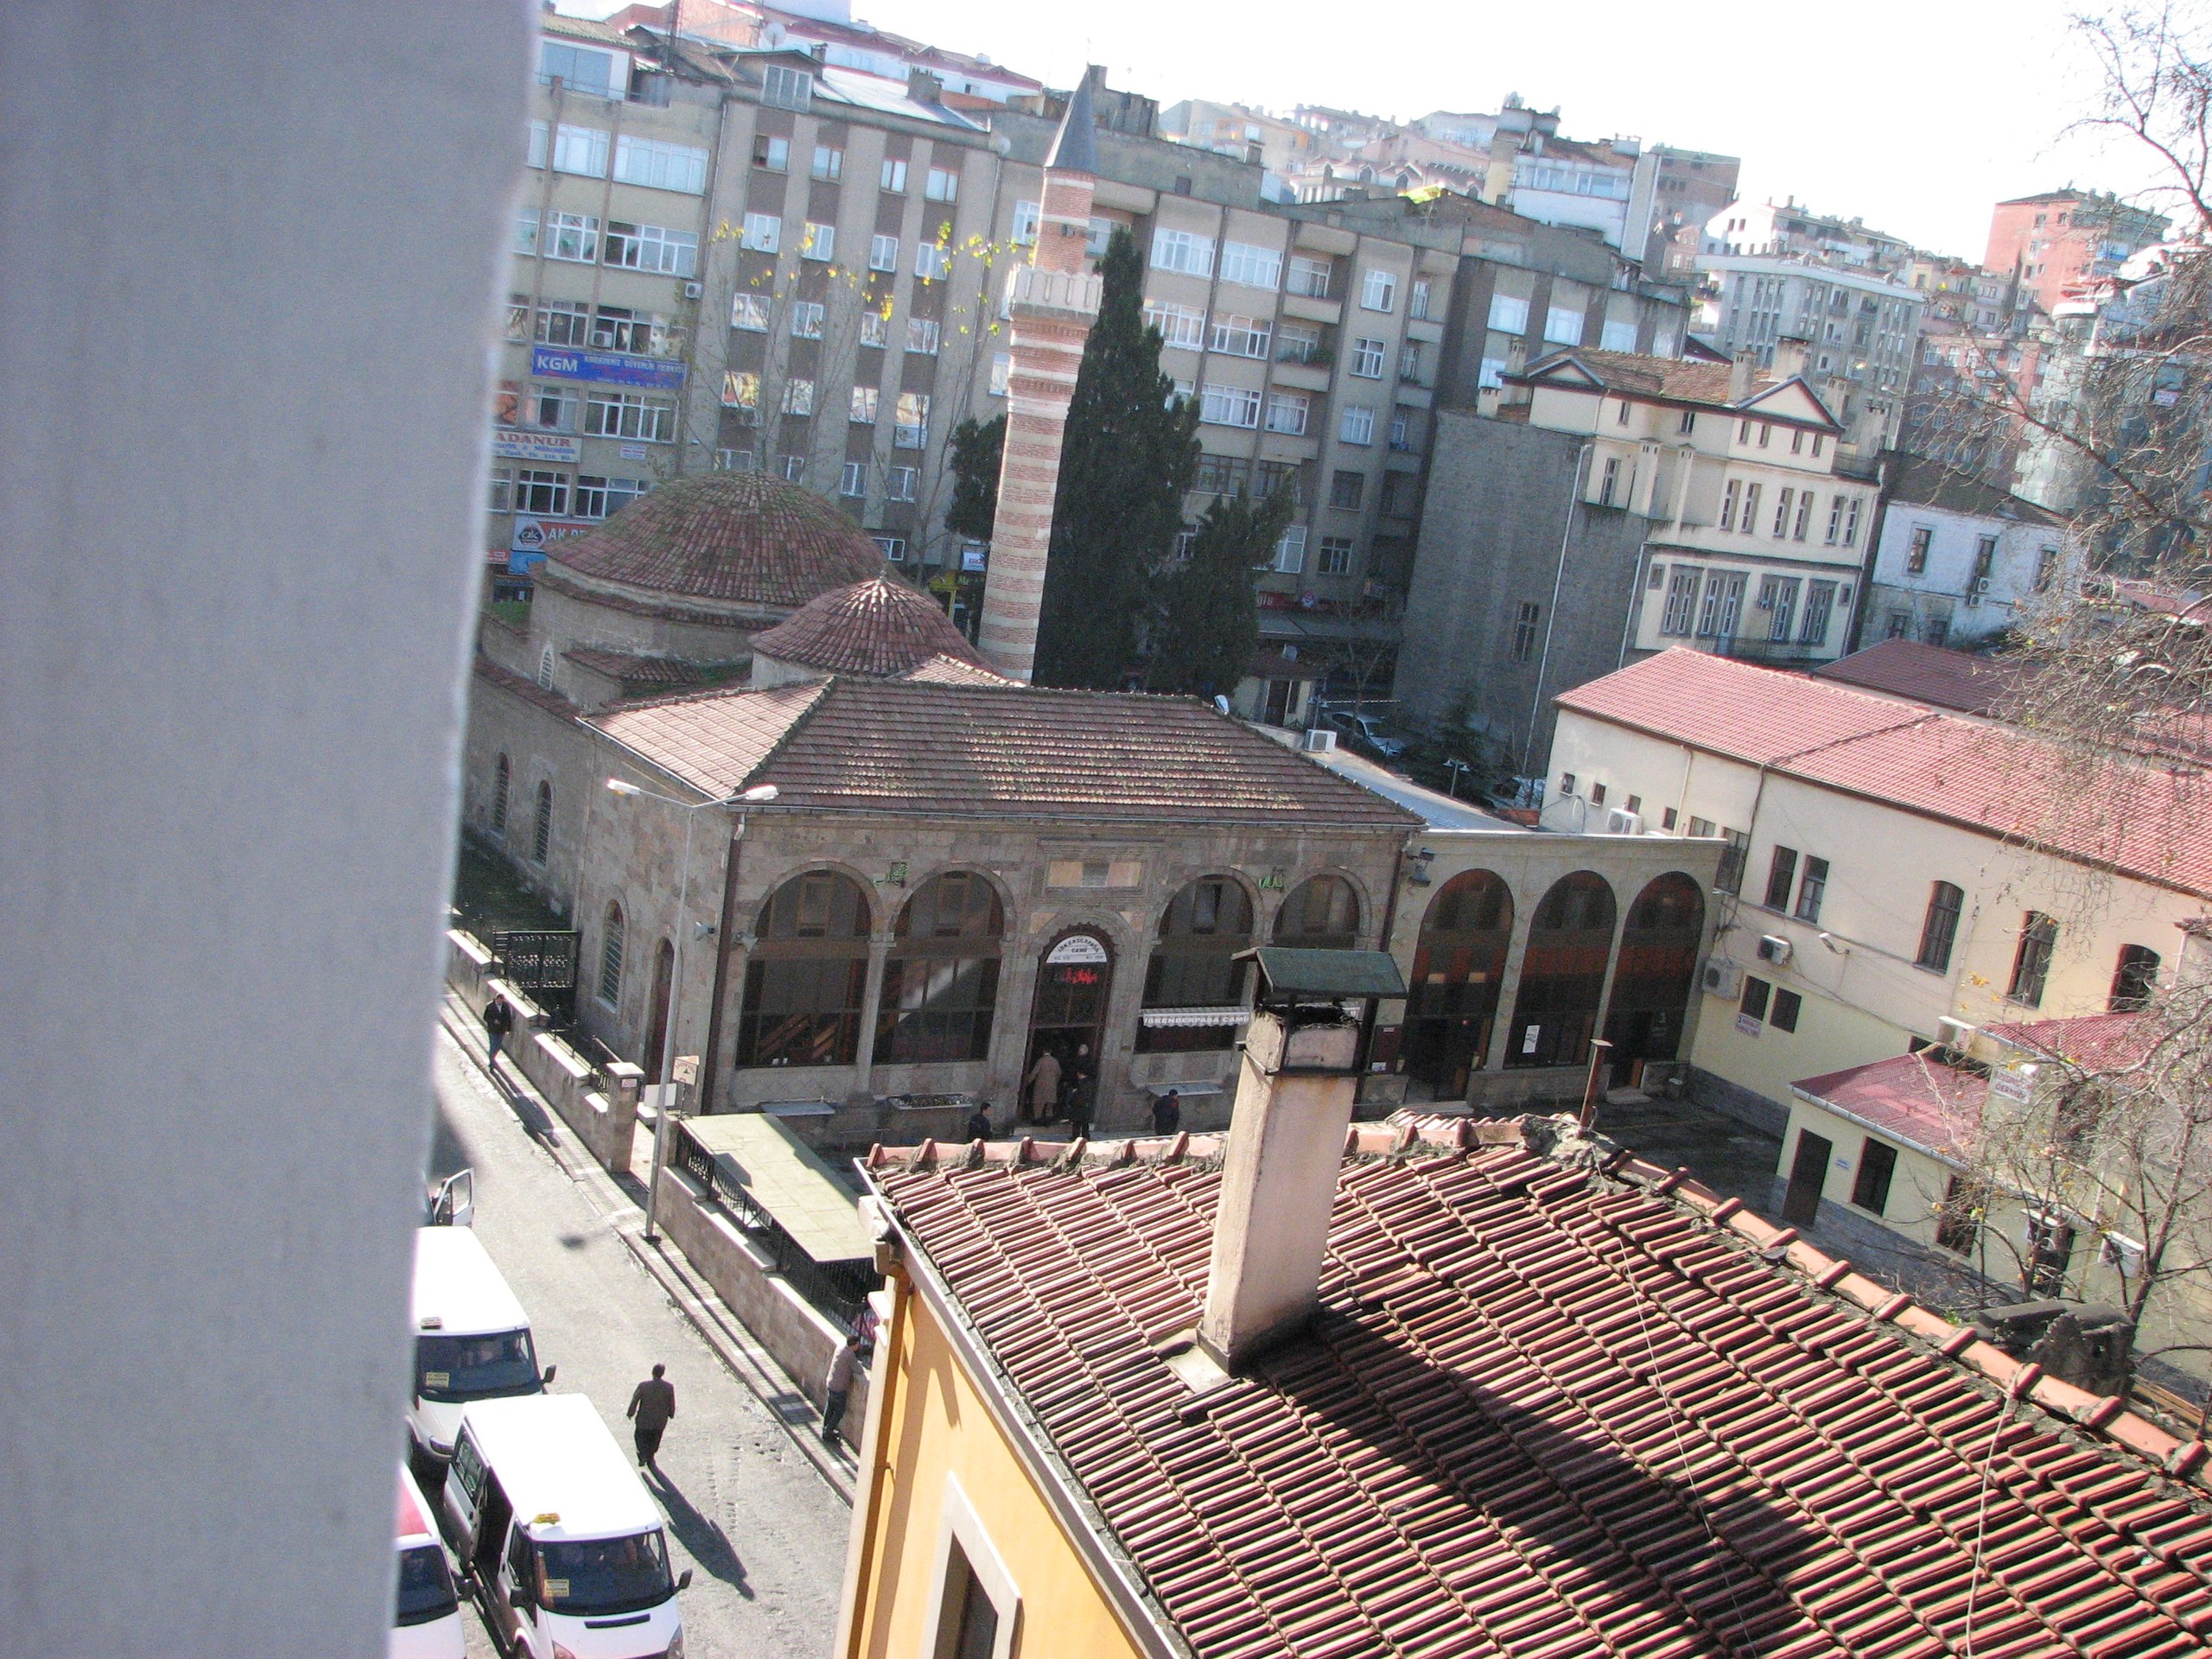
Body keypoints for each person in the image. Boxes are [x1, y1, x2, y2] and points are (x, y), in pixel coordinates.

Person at [626, 1363, 675, 1471]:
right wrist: (671, 1413)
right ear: (663, 1373)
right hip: (659, 1421)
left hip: (644, 1420)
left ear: (652, 1372)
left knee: (640, 1437)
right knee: (655, 1439)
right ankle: (650, 1456)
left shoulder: (643, 1386)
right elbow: (671, 1402)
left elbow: (635, 1400)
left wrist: (630, 1413)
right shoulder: (669, 1387)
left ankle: (643, 1454)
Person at [822, 1331, 860, 1448]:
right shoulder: (850, 1355)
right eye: (858, 1345)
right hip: (840, 1388)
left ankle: (825, 1427)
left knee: (830, 1407)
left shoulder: (840, 1348)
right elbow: (859, 1370)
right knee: (839, 1411)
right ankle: (828, 1431)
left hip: (831, 1383)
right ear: (854, 1345)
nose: (858, 1347)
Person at [1021, 1047, 1061, 1124]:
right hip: (1051, 1086)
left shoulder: (1041, 1061)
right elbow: (1059, 1073)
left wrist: (1027, 1082)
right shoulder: (1055, 1061)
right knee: (1049, 1105)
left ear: (1043, 1051)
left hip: (1041, 1086)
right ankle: (1048, 1120)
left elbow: (1034, 1073)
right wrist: (1055, 1082)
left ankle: (1037, 1119)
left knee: (1038, 1104)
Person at [482, 992, 513, 1070]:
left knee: (498, 1046)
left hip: (502, 1029)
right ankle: (492, 1063)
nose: (501, 1002)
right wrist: (493, 1021)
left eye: (502, 1000)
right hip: (493, 1029)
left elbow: (508, 1017)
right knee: (493, 1045)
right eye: (500, 1000)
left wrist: (508, 1029)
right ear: (496, 999)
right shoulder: (490, 1006)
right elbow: (485, 1017)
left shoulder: (505, 1006)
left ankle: (492, 1059)